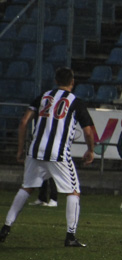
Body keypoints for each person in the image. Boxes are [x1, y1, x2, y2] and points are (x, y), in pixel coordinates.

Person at [0, 67, 96, 247]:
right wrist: (90, 150)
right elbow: (88, 131)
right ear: (72, 82)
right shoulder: (75, 102)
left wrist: (20, 149)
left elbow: (23, 122)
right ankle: (70, 236)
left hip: (35, 150)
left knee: (26, 188)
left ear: (56, 80)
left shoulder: (43, 97)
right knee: (73, 191)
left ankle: (6, 226)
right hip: (57, 153)